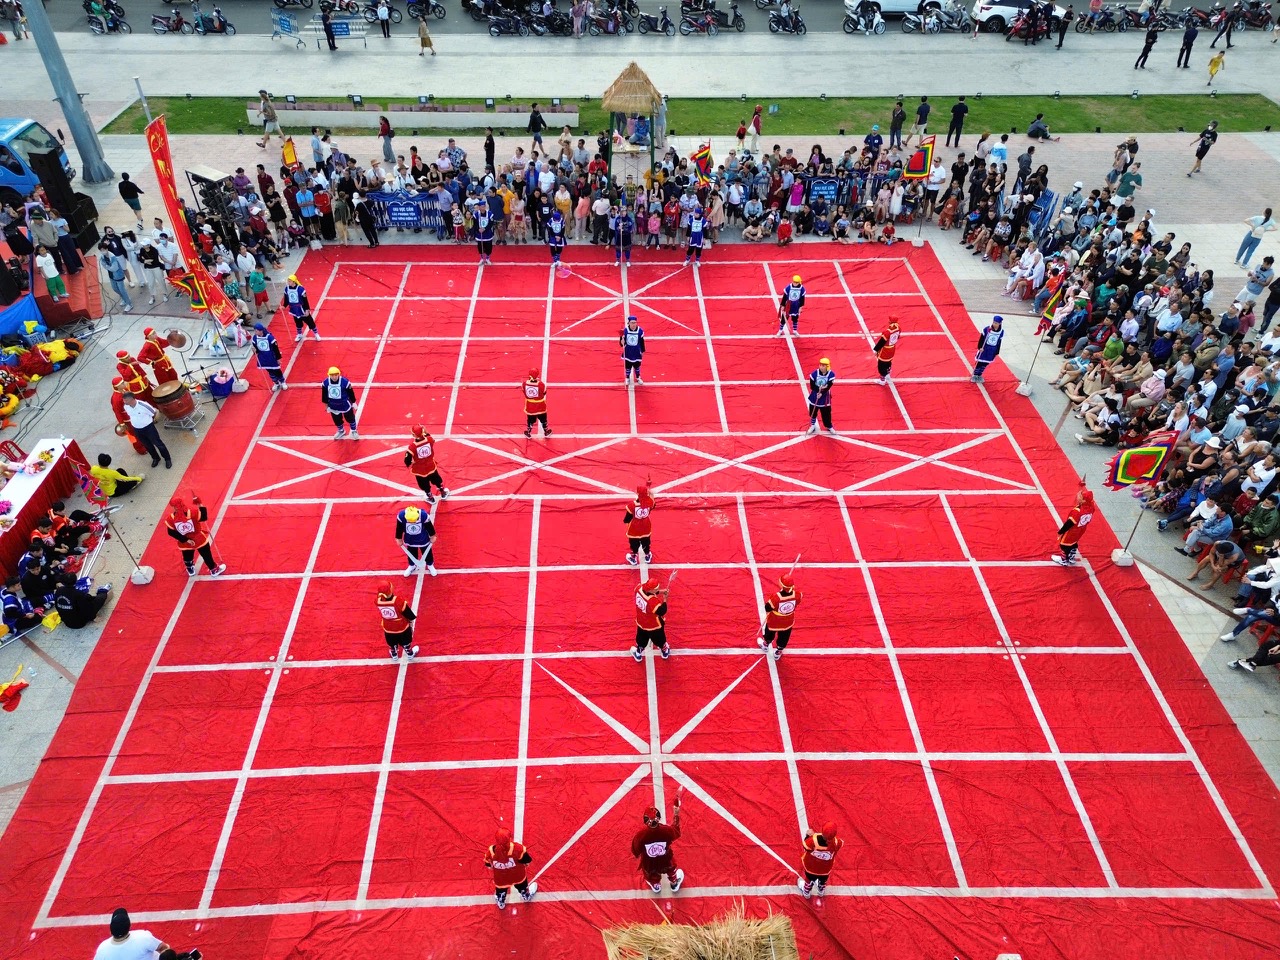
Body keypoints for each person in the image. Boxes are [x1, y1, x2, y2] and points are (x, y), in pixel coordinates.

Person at [631, 801, 683, 891]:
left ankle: (656, 886)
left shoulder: (641, 835)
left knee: (651, 874)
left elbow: (635, 849)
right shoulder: (666, 831)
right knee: (671, 869)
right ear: (658, 818)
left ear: (645, 821)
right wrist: (676, 814)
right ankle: (674, 884)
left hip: (649, 862)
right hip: (665, 858)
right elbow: (676, 831)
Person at [166, 495, 224, 576]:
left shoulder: (170, 518)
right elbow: (204, 517)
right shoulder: (193, 513)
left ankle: (190, 569)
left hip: (184, 542)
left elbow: (171, 532)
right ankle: (214, 569)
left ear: (174, 507)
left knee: (187, 555)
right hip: (199, 539)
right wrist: (200, 504)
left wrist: (186, 540)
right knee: (206, 555)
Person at [485, 828, 536, 910]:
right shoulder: (518, 849)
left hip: (501, 879)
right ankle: (525, 896)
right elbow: (527, 861)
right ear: (509, 838)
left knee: (501, 890)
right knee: (522, 887)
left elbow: (488, 865)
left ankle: (501, 901)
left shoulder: (491, 851)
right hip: (518, 876)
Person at [94, 908, 169, 960]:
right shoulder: (143, 937)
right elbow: (164, 948)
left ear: (111, 931)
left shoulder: (102, 949)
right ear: (129, 926)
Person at [758, 573, 801, 660]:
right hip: (788, 620)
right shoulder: (798, 595)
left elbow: (767, 608)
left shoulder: (776, 597)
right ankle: (778, 651)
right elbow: (797, 602)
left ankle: (766, 644)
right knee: (784, 636)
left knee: (770, 632)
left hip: (775, 620)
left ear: (781, 584)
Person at [121, 393, 171, 469]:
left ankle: (167, 458)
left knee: (158, 444)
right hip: (137, 429)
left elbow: (154, 412)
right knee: (147, 445)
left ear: (131, 399)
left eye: (126, 400)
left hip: (149, 428)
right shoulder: (126, 407)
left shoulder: (143, 405)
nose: (124, 401)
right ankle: (155, 458)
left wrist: (153, 420)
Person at [404, 424, 450, 502]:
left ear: (413, 435)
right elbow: (429, 436)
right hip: (431, 466)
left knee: (424, 485)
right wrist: (424, 431)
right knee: (437, 480)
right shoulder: (429, 439)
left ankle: (431, 498)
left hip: (419, 470)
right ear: (423, 432)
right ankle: (443, 493)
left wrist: (411, 462)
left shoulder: (412, 447)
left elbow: (407, 461)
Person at [1052, 484, 1095, 566]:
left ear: (1084, 501)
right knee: (1074, 542)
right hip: (1081, 529)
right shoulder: (1091, 506)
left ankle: (1064, 559)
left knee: (1064, 544)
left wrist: (1061, 531)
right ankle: (1071, 556)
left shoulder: (1077, 512)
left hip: (1073, 530)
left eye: (1081, 497)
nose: (1078, 497)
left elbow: (1069, 523)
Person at [799, 821, 843, 900]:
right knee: (823, 880)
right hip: (825, 869)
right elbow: (839, 844)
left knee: (809, 879)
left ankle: (806, 892)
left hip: (811, 868)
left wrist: (808, 836)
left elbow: (805, 846)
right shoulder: (837, 843)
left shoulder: (813, 840)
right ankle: (821, 891)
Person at [375, 581, 419, 659]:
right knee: (406, 641)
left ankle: (394, 654)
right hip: (401, 627)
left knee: (392, 642)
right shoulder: (397, 601)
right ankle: (409, 653)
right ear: (391, 589)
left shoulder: (377, 601)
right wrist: (411, 619)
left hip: (388, 627)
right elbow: (407, 612)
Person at [631, 576, 670, 660]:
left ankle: (638, 653)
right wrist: (665, 599)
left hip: (641, 621)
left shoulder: (638, 588)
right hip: (653, 625)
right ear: (651, 590)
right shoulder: (652, 601)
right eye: (656, 588)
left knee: (641, 639)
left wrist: (660, 591)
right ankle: (664, 651)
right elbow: (662, 611)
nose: (658, 588)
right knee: (659, 639)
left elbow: (647, 592)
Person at [395, 504, 437, 576]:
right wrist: (398, 538)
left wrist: (432, 536)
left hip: (423, 539)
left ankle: (430, 565)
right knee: (411, 553)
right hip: (410, 539)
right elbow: (399, 528)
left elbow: (429, 526)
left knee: (427, 553)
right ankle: (412, 565)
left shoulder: (423, 515)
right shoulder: (401, 516)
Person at [322, 366, 359, 439]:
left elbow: (351, 392)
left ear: (339, 374)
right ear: (329, 375)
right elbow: (324, 395)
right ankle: (341, 431)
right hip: (333, 405)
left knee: (350, 418)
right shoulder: (325, 383)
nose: (334, 377)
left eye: (336, 375)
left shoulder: (345, 382)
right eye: (332, 375)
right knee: (337, 419)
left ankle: (354, 431)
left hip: (345, 405)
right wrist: (326, 406)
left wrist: (353, 402)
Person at [281, 275, 321, 342]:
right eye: (288, 281)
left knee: (310, 322)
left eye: (289, 281)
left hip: (302, 309)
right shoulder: (287, 289)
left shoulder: (300, 289)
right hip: (294, 309)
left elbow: (305, 300)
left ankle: (316, 334)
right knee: (298, 322)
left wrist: (307, 310)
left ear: (294, 282)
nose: (288, 282)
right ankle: (299, 334)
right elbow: (287, 299)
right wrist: (284, 306)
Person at [624, 485, 656, 565]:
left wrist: (626, 521)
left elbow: (627, 519)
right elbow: (653, 502)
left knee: (634, 543)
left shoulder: (632, 505)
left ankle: (633, 557)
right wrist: (651, 494)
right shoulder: (650, 503)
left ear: (637, 494)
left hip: (634, 528)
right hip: (646, 526)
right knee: (646, 542)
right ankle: (647, 555)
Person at [806, 357, 835, 435]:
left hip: (825, 396)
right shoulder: (814, 374)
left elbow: (829, 385)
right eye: (820, 365)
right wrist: (817, 391)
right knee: (813, 411)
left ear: (827, 367)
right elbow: (812, 386)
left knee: (826, 413)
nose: (821, 367)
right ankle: (812, 425)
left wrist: (822, 392)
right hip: (815, 394)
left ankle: (829, 425)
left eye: (823, 365)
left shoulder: (831, 375)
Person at [251, 323, 285, 390]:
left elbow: (276, 348)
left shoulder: (269, 337)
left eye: (256, 331)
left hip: (271, 357)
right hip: (263, 358)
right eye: (255, 331)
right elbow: (257, 350)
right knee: (270, 371)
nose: (255, 332)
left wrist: (278, 358)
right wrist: (254, 350)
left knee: (277, 370)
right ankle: (276, 383)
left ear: (261, 331)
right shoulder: (255, 338)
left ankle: (282, 381)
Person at [971, 315, 1004, 383]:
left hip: (992, 350)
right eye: (994, 322)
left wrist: (997, 351)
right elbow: (982, 338)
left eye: (996, 323)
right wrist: (980, 347)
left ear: (1000, 324)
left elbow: (999, 342)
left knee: (985, 364)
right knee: (980, 362)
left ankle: (979, 375)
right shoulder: (987, 329)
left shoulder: (1001, 332)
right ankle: (975, 375)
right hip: (984, 349)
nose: (994, 324)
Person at [523, 368, 552, 438]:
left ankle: (528, 432)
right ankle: (546, 431)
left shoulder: (524, 383)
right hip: (540, 406)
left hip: (530, 406)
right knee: (543, 419)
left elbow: (524, 391)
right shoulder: (541, 384)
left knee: (530, 420)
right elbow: (544, 393)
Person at [873, 314, 901, 385]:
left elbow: (882, 342)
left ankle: (882, 379)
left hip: (885, 350)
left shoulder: (888, 332)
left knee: (881, 364)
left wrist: (876, 349)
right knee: (889, 361)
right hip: (892, 348)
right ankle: (888, 371)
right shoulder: (898, 328)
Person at [621, 315, 646, 385]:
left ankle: (638, 377)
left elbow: (642, 341)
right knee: (628, 366)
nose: (633, 324)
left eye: (635, 322)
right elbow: (621, 342)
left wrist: (642, 351)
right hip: (628, 352)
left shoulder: (640, 331)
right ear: (628, 323)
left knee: (637, 366)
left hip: (636, 352)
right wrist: (621, 342)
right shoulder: (625, 331)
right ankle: (627, 378)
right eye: (632, 323)